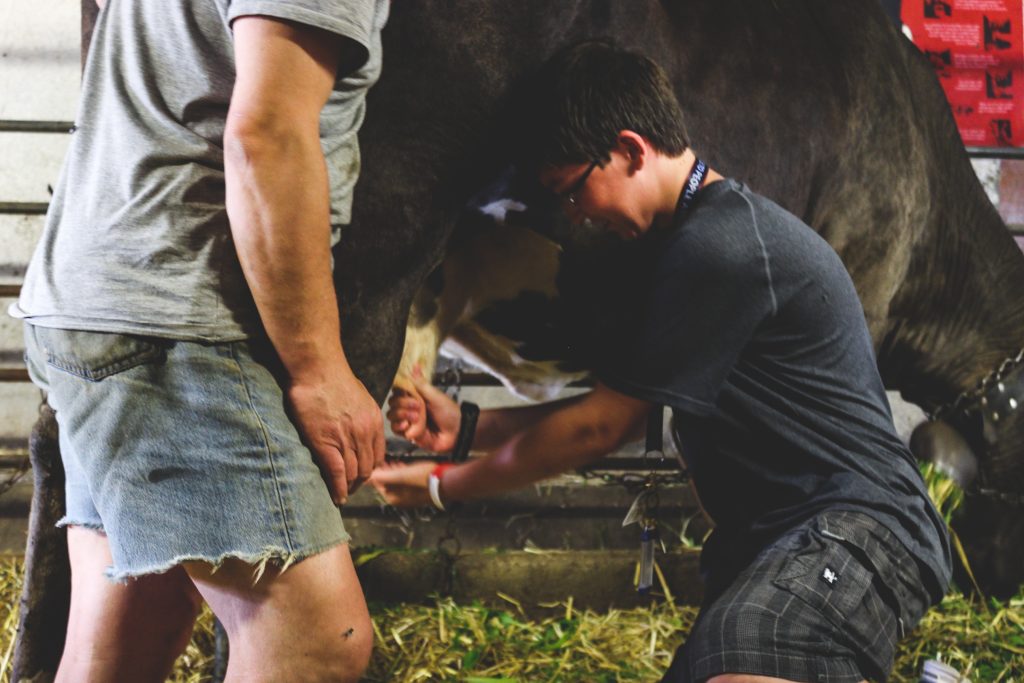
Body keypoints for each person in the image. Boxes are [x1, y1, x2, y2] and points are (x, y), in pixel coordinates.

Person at [372, 40, 953, 683]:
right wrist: (470, 428)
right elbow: (619, 403)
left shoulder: (721, 246)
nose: (577, 216)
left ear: (629, 149)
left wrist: (441, 487)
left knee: (743, 661)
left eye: (572, 190)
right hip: (778, 545)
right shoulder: (687, 246)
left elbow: (601, 428)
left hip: (857, 526)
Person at [11, 0, 389, 680]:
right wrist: (319, 366)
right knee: (313, 636)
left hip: (104, 304)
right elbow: (267, 135)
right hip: (174, 317)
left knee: (128, 630)